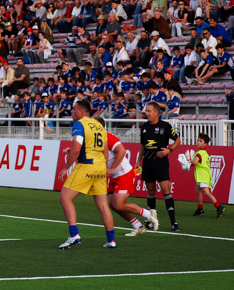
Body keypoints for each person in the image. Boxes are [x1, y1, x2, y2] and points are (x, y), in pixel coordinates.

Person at [57, 100, 116, 249]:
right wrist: (103, 169)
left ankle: (74, 234)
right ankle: (111, 240)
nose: (72, 112)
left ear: (81, 111)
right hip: (100, 167)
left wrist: (65, 168)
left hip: (86, 165)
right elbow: (105, 152)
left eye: (74, 109)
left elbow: (76, 149)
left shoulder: (79, 124)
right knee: (103, 205)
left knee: (65, 198)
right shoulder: (99, 126)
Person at [101, 120, 158, 235]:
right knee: (113, 205)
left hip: (123, 174)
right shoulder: (95, 139)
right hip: (114, 176)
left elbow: (121, 151)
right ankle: (138, 226)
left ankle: (149, 214)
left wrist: (111, 168)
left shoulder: (107, 137)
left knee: (118, 204)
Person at [136, 101, 182, 232]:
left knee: (165, 190)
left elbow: (178, 140)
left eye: (149, 111)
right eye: (146, 111)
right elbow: (142, 145)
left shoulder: (165, 126)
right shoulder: (144, 127)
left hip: (160, 163)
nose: (146, 113)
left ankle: (173, 222)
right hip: (148, 163)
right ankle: (151, 220)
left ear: (156, 112)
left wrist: (169, 150)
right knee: (151, 191)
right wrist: (138, 160)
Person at [187, 133, 225, 218]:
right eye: (198, 140)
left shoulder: (200, 153)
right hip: (203, 175)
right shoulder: (204, 153)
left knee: (206, 192)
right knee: (197, 190)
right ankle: (200, 208)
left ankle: (218, 206)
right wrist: (189, 163)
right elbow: (196, 163)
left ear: (205, 144)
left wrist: (187, 160)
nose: (198, 142)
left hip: (203, 176)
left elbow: (194, 162)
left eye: (201, 141)